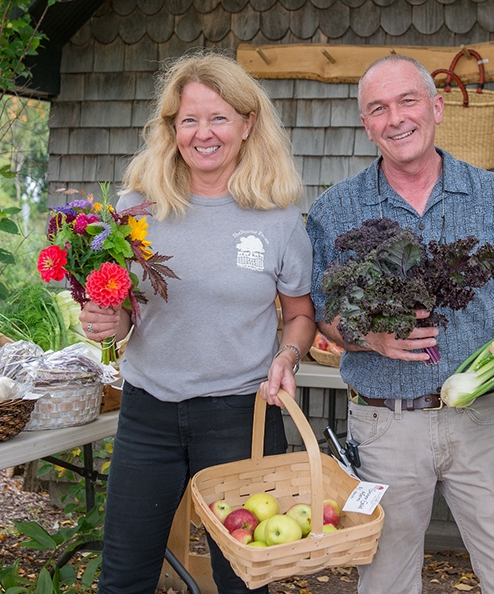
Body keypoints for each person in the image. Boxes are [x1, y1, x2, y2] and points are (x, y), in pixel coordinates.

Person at [305, 54, 494, 594]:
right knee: (386, 582)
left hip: (481, 419)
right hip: (384, 426)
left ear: (436, 108)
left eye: (407, 101)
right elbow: (322, 316)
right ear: (366, 124)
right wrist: (370, 337)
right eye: (378, 108)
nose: (395, 118)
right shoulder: (334, 210)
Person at [80, 51, 316, 594]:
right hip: (147, 415)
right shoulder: (136, 210)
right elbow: (124, 307)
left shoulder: (278, 218)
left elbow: (299, 313)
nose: (202, 133)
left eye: (218, 118)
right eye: (189, 119)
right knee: (124, 578)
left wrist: (288, 354)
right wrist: (109, 320)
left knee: (242, 581)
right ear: (172, 128)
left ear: (247, 124)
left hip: (241, 418)